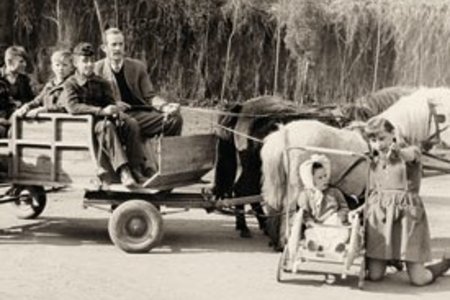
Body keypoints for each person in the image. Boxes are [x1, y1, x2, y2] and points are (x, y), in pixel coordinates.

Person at [361, 117, 450, 285]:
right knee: (374, 276)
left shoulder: (411, 151)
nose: (378, 144)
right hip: (381, 217)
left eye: (382, 138)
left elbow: (410, 156)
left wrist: (398, 152)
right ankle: (392, 257)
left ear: (393, 134)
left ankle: (445, 263)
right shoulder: (373, 159)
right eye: (373, 140)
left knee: (419, 279)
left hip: (407, 217)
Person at [59, 42, 146, 189]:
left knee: (131, 123)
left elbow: (110, 102)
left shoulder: (102, 82)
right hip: (86, 126)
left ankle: (136, 169)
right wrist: (102, 111)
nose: (89, 65)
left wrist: (116, 109)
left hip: (105, 121)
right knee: (106, 126)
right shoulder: (70, 84)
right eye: (84, 61)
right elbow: (73, 107)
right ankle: (124, 171)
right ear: (75, 63)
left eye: (92, 61)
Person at [94, 27, 183, 140]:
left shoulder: (137, 67)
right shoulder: (97, 69)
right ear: (104, 48)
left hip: (139, 115)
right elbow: (93, 100)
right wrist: (113, 104)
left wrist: (165, 106)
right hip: (114, 117)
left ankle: (165, 155)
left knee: (174, 119)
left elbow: (150, 96)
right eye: (114, 44)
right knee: (129, 124)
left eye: (121, 44)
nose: (118, 48)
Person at [297, 154, 350, 252]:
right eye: (320, 178)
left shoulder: (335, 192)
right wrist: (309, 222)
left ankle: (337, 246)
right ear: (311, 181)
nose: (324, 179)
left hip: (334, 223)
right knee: (310, 233)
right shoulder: (307, 195)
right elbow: (305, 213)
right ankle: (313, 245)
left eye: (325, 176)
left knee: (342, 232)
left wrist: (340, 216)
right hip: (317, 225)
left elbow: (344, 207)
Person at [14, 49, 73, 117]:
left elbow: (64, 106)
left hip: (64, 121)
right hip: (47, 121)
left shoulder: (71, 84)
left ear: (71, 67)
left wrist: (43, 110)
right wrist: (27, 107)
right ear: (52, 67)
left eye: (65, 65)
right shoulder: (50, 85)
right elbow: (37, 101)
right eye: (57, 65)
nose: (60, 68)